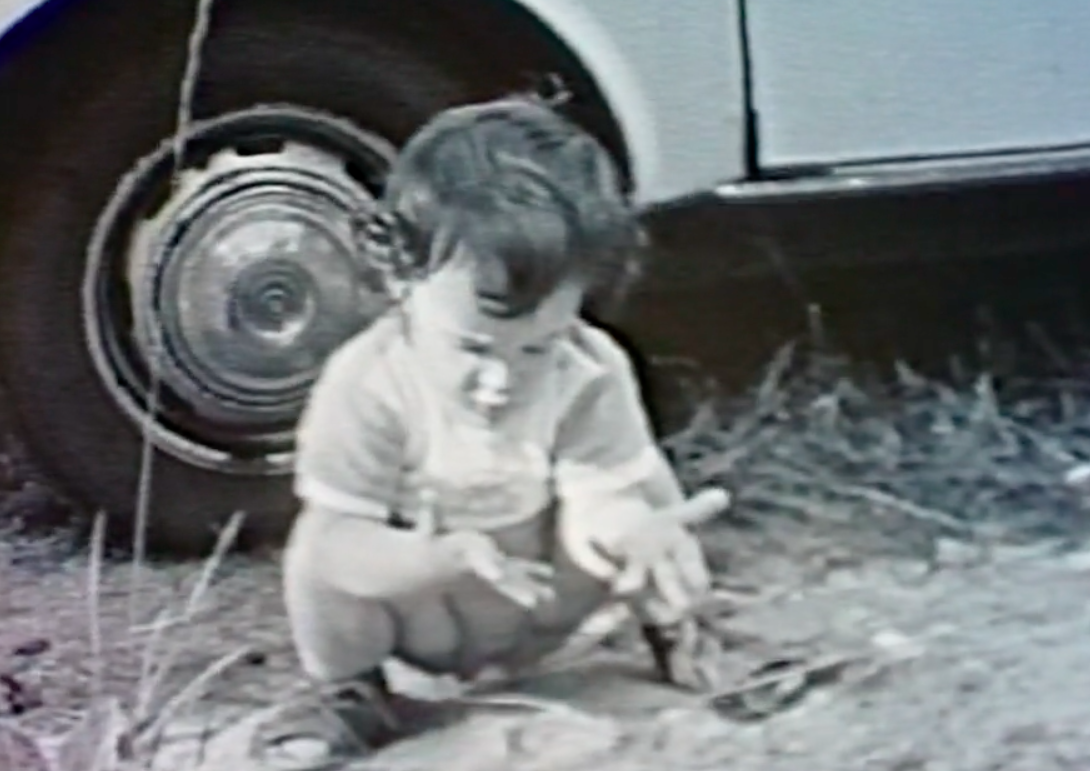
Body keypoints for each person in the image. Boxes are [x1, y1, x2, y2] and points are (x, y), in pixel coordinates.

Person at [256, 89, 732, 769]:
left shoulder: (587, 368)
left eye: (537, 346)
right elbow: (340, 548)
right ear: (401, 273)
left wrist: (628, 530)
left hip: (548, 595)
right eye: (475, 347)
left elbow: (600, 494)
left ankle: (674, 627)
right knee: (315, 559)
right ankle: (351, 695)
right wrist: (439, 556)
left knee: (649, 499)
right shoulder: (369, 382)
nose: (503, 379)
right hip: (430, 610)